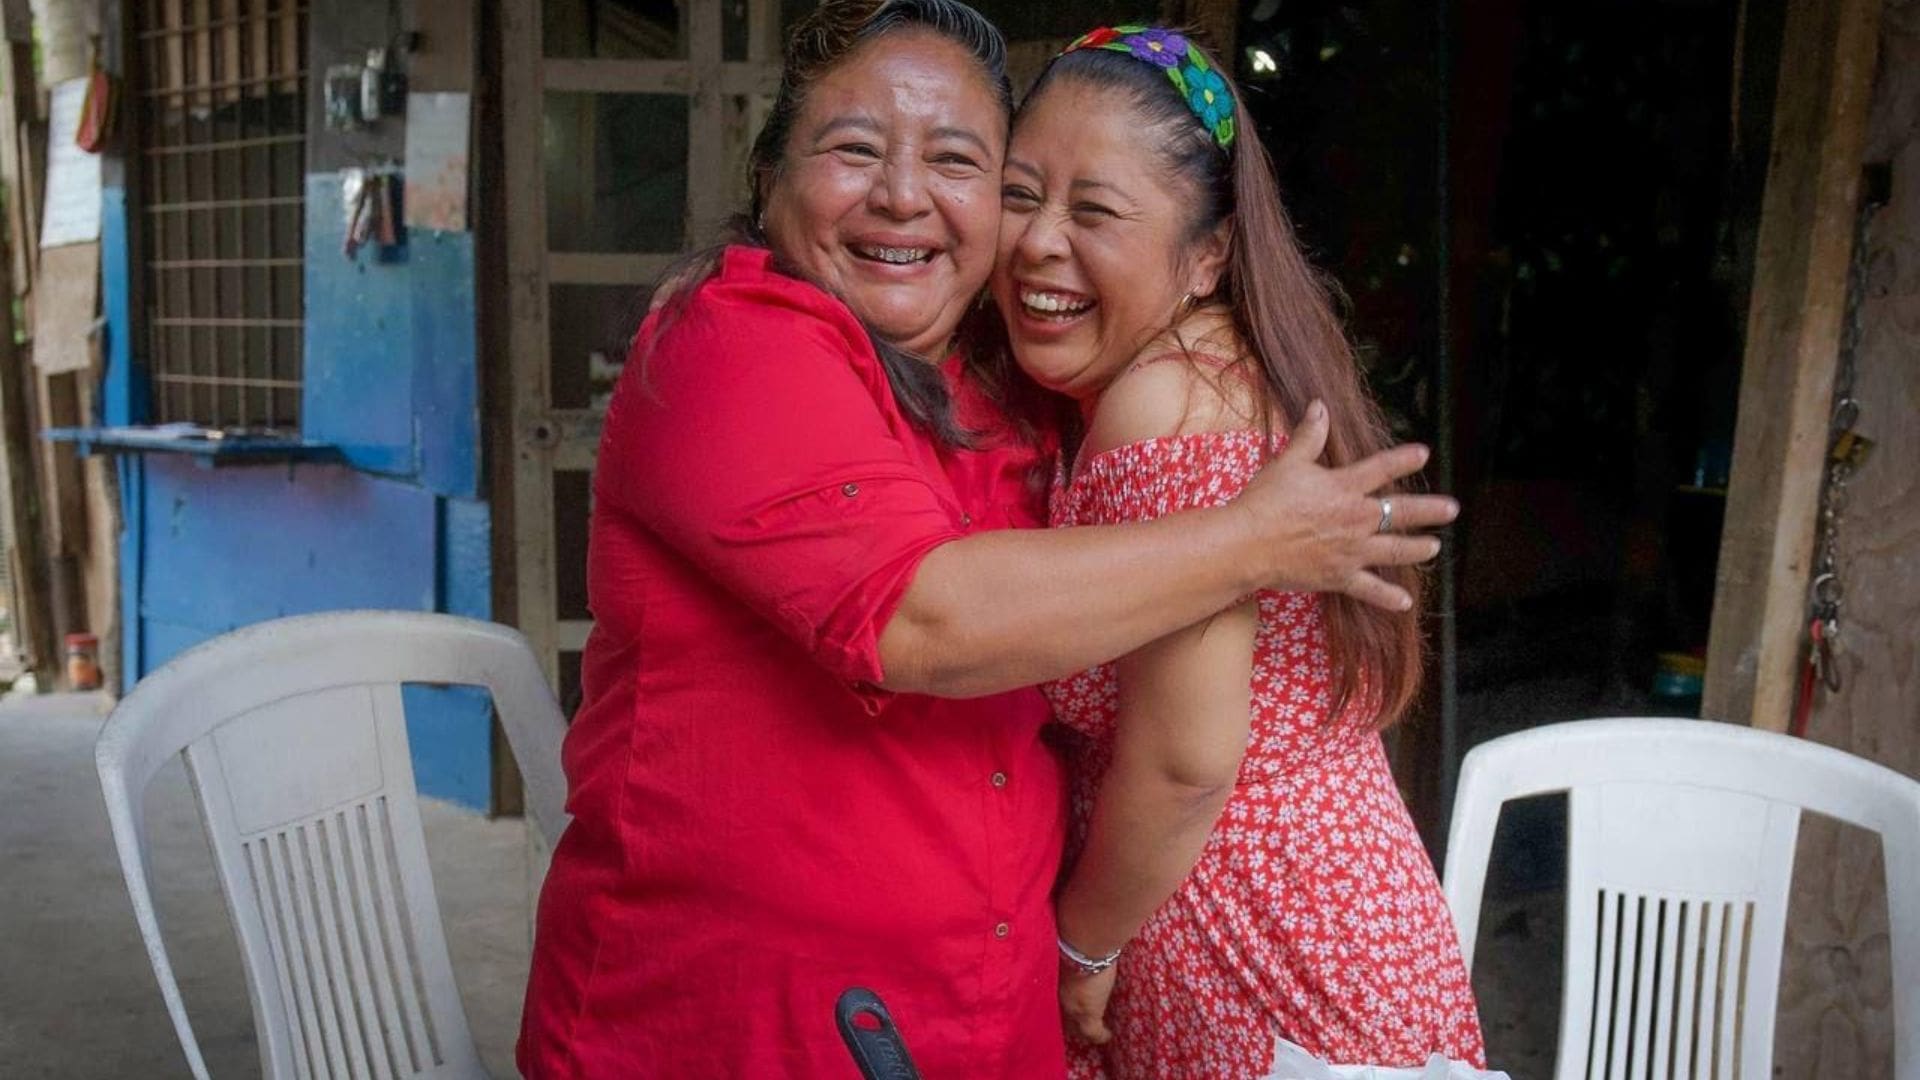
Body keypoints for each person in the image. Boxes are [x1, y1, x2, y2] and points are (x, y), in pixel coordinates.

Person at [516, 3, 1457, 1077]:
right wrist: (1255, 540)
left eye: (959, 162)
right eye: (854, 149)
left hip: (1004, 1016)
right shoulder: (732, 345)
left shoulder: (1024, 379)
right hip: (750, 1027)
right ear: (770, 176)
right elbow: (926, 619)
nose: (903, 194)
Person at [989, 25, 1486, 1078]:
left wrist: (1078, 950)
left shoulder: (1163, 406)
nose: (1036, 242)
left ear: (1208, 255)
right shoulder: (1219, 371)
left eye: (1095, 211)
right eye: (1019, 195)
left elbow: (1184, 760)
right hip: (1329, 918)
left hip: (1253, 945)